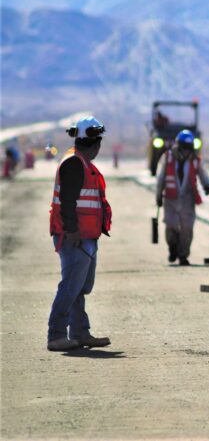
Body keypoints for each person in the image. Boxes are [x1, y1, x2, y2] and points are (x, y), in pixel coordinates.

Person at [47, 116, 112, 351]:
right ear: (94, 143)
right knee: (70, 287)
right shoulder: (74, 163)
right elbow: (67, 201)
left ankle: (80, 333)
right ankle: (56, 335)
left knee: (79, 287)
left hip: (85, 236)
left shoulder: (80, 162)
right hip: (74, 236)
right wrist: (72, 230)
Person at [155, 129, 209, 266]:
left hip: (187, 198)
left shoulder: (195, 160)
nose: (186, 152)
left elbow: (202, 173)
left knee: (187, 227)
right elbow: (161, 177)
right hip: (170, 198)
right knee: (171, 225)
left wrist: (207, 185)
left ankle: (183, 255)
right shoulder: (167, 157)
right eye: (184, 148)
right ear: (178, 146)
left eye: (189, 149)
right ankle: (173, 248)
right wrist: (158, 195)